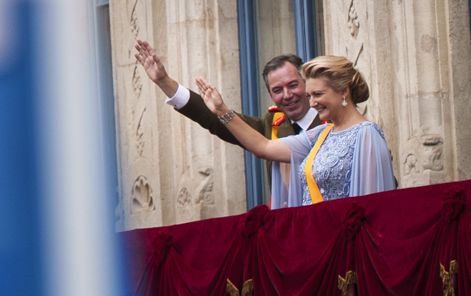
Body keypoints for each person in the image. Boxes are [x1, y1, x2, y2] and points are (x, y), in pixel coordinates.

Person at [195, 55, 394, 208]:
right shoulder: (321, 134)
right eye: (310, 95)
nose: (312, 103)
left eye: (318, 94)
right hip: (317, 238)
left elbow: (373, 206)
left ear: (344, 91)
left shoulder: (366, 134)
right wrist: (222, 111)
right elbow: (264, 147)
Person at [133, 40, 319, 190]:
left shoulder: (330, 121)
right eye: (277, 90)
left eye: (293, 85)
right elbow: (219, 120)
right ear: (270, 95)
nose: (287, 95)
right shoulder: (273, 123)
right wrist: (164, 81)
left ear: (307, 84)